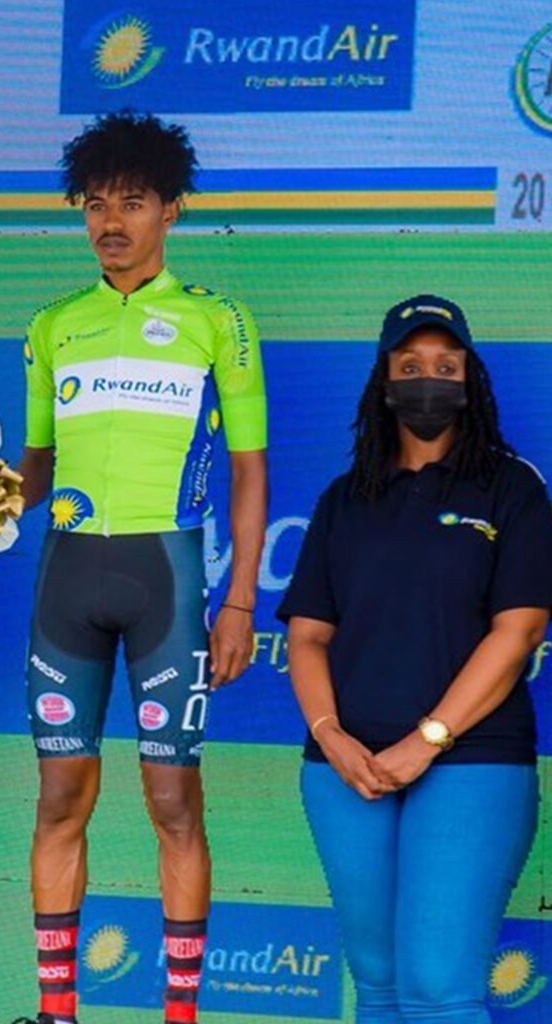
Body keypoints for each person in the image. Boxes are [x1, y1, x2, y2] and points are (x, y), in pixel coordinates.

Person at [11, 111, 268, 1024]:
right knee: (58, 800)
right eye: (94, 204)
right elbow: (36, 469)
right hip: (68, 577)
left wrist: (239, 602)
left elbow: (249, 470)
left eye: (131, 202)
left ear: (171, 210)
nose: (110, 221)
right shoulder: (53, 325)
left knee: (174, 803)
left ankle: (180, 1016)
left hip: (169, 577)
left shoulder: (216, 320)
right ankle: (56, 1013)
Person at [278, 295, 552, 1024]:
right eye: (409, 366)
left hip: (472, 763)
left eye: (444, 365)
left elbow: (519, 631)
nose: (427, 379)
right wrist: (332, 736)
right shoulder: (345, 499)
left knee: (437, 988)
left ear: (469, 379)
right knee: (379, 987)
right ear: (384, 382)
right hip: (346, 771)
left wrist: (425, 741)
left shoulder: (510, 488)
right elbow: (307, 637)